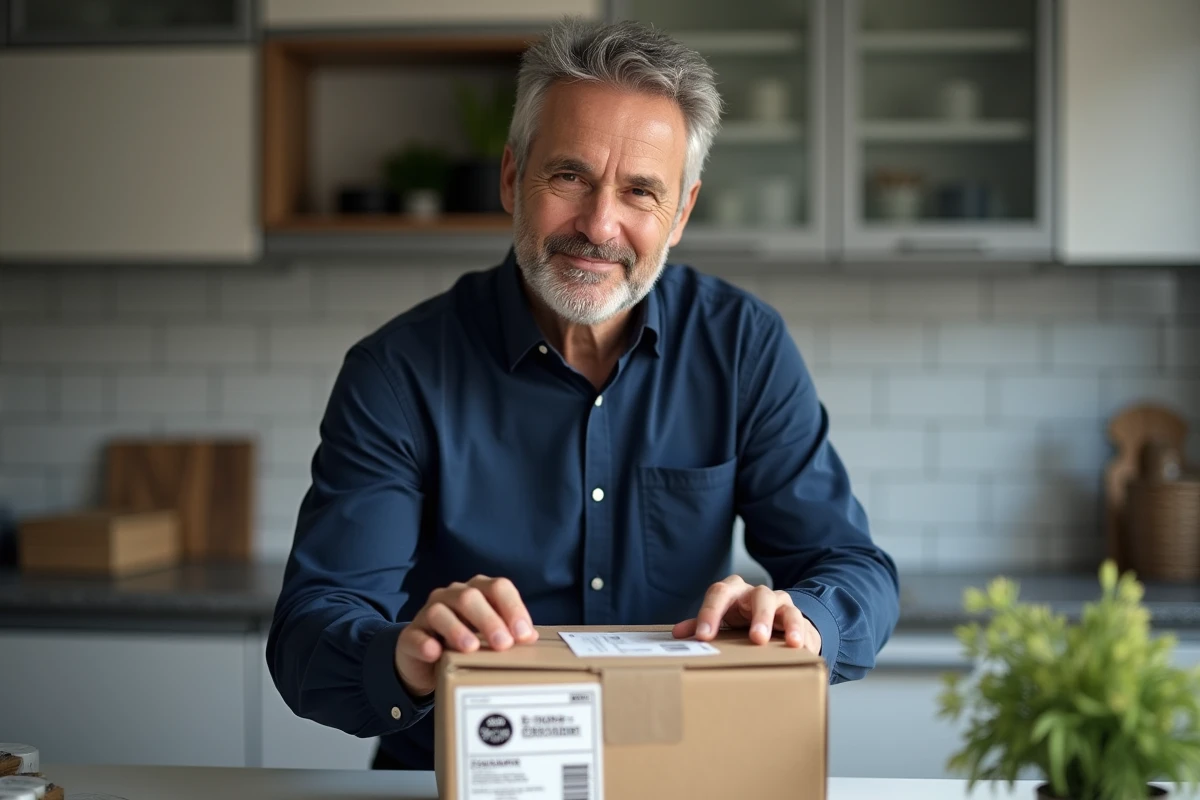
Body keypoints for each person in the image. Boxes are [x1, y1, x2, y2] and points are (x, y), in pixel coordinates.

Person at [267, 17, 899, 772]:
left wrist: (805, 620)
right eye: (570, 176)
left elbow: (856, 570)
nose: (600, 225)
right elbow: (309, 634)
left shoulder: (743, 347)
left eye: (640, 191)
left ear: (682, 213)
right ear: (511, 178)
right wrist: (404, 654)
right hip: (460, 773)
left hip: (680, 768)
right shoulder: (397, 372)